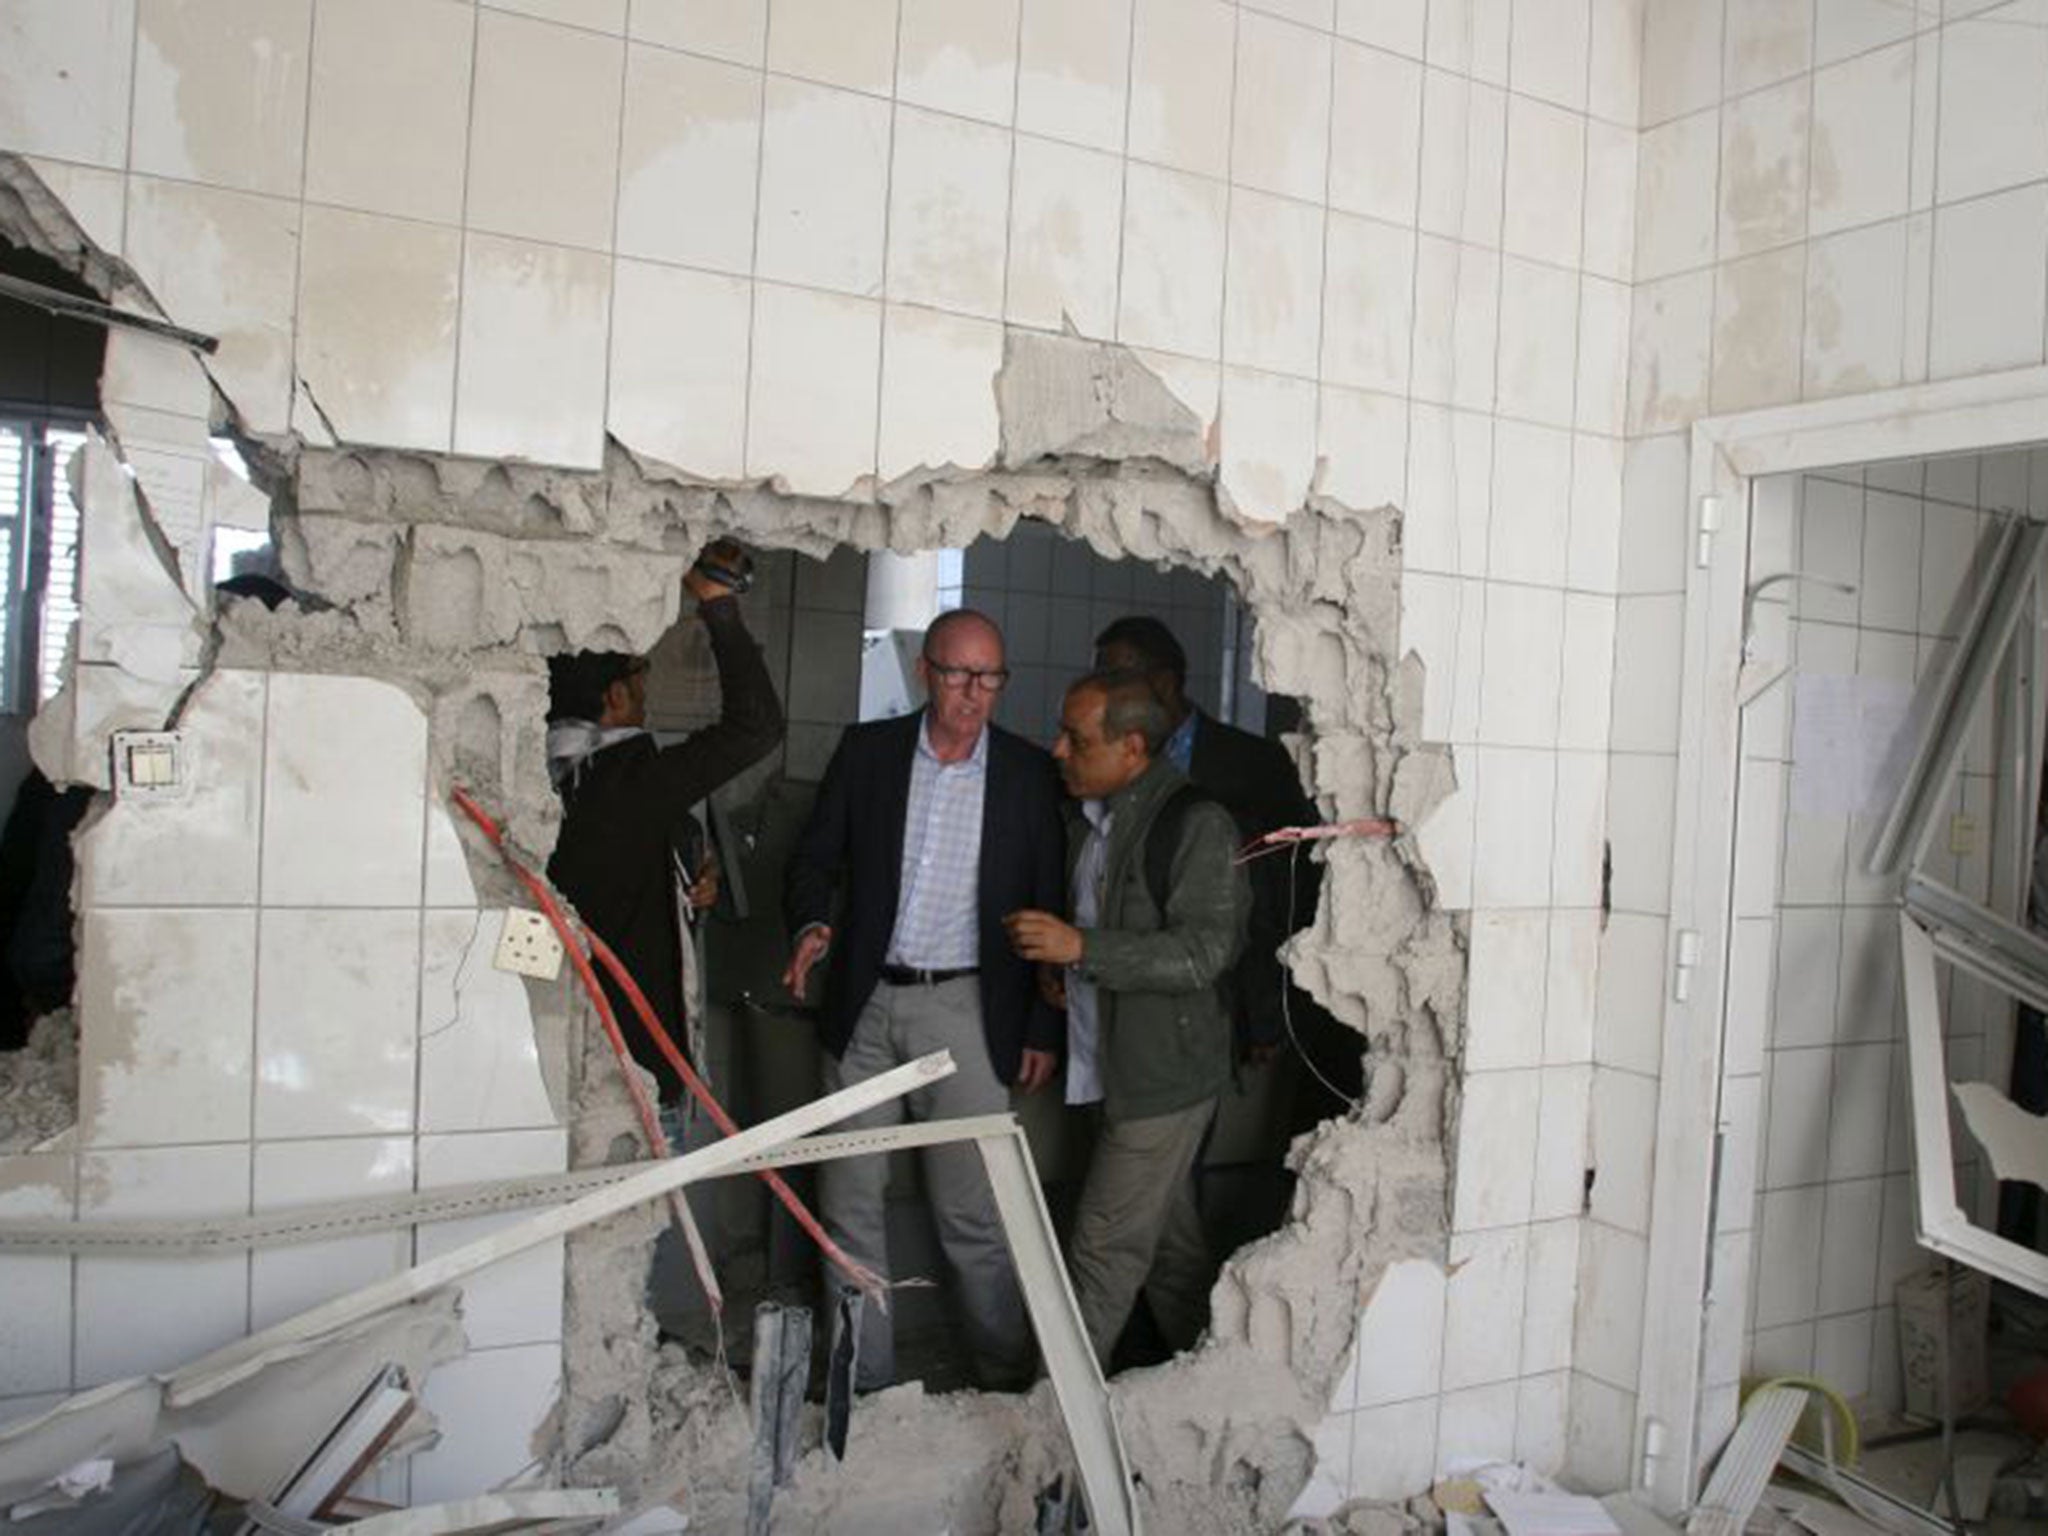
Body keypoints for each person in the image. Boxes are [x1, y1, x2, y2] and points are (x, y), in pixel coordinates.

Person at [782, 608, 1064, 1391]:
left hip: (968, 1011)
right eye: (958, 675)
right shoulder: (868, 754)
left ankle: (1004, 1380)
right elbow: (812, 860)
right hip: (866, 1004)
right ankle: (860, 1388)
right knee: (848, 1206)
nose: (975, 694)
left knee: (973, 1214)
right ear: (924, 673)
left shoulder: (1027, 774)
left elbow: (1052, 907)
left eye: (990, 678)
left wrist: (1041, 1022)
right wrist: (812, 924)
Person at [1007, 669, 1249, 1365]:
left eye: (1076, 739)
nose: (1057, 750)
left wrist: (1081, 947)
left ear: (1133, 747)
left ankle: (1057, 1437)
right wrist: (1065, 969)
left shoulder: (1195, 824)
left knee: (1101, 1252)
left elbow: (1205, 953)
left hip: (1161, 1080)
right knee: (1169, 1250)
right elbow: (1106, 938)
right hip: (1107, 1065)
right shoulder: (1092, 820)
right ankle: (1212, 1388)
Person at [546, 542, 784, 1106]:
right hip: (629, 1063)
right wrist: (718, 605)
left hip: (564, 1035)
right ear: (617, 694)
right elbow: (756, 728)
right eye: (641, 672)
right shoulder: (623, 780)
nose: (650, 685)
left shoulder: (554, 775)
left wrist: (686, 865)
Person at [1092, 617, 1337, 1082]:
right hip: (1121, 991)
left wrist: (1266, 1010)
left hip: (1220, 1000)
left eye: (1115, 678)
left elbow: (1280, 898)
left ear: (1164, 683)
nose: (1103, 693)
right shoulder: (1101, 758)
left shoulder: (1253, 765)